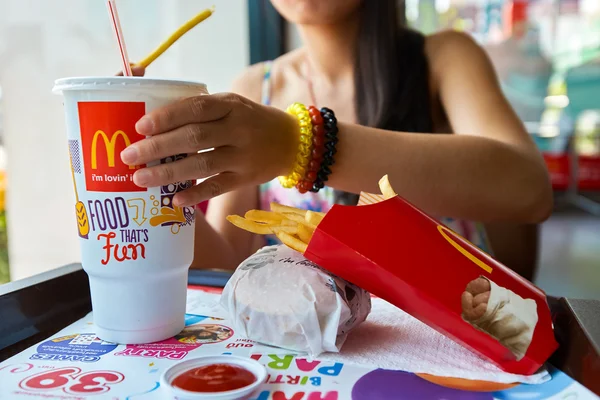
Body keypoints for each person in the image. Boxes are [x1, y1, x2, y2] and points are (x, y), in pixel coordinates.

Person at [119, 0, 552, 271]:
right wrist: (151, 169)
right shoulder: (257, 89)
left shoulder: (443, 59)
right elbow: (225, 262)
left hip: (446, 354)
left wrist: (299, 145)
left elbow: (527, 189)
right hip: (316, 364)